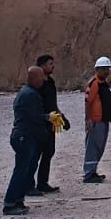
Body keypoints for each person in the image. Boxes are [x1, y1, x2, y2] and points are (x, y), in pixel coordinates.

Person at [3, 66, 50, 215]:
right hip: (25, 136)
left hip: (26, 136)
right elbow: (35, 117)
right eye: (40, 77)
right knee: (21, 170)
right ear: (33, 78)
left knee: (26, 170)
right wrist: (48, 117)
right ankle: (10, 203)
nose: (43, 80)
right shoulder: (29, 94)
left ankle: (18, 200)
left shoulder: (28, 92)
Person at [32, 52, 69, 195]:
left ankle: (42, 183)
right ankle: (29, 185)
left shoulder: (51, 82)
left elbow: (53, 103)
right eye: (50, 64)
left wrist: (62, 117)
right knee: (35, 154)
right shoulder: (37, 84)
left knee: (49, 152)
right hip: (40, 122)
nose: (53, 66)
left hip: (51, 122)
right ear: (42, 66)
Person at [83, 56, 111, 183]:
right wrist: (88, 119)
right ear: (97, 69)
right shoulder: (94, 83)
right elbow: (88, 102)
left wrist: (110, 115)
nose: (106, 72)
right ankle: (88, 174)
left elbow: (105, 101)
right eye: (104, 69)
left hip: (103, 120)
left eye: (107, 69)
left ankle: (93, 171)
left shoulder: (103, 83)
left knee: (99, 147)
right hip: (95, 121)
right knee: (92, 147)